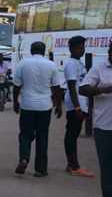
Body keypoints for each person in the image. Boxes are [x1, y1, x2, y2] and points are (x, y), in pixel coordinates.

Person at [13, 41, 63, 177]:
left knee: (25, 134)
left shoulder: (22, 64)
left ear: (31, 50)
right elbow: (57, 88)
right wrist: (58, 105)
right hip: (45, 106)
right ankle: (40, 169)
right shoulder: (51, 65)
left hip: (27, 105)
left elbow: (16, 85)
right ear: (44, 51)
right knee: (42, 136)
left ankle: (24, 158)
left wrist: (15, 102)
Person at [80, 43, 112, 197]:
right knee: (107, 169)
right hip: (104, 129)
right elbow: (83, 88)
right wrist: (105, 89)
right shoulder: (99, 68)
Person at [63, 36, 94, 177]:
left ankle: (72, 165)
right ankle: (73, 166)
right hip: (75, 106)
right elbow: (71, 86)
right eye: (79, 48)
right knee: (72, 135)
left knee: (73, 134)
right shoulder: (71, 64)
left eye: (83, 47)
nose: (82, 50)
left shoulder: (77, 63)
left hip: (80, 104)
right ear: (72, 48)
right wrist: (77, 108)